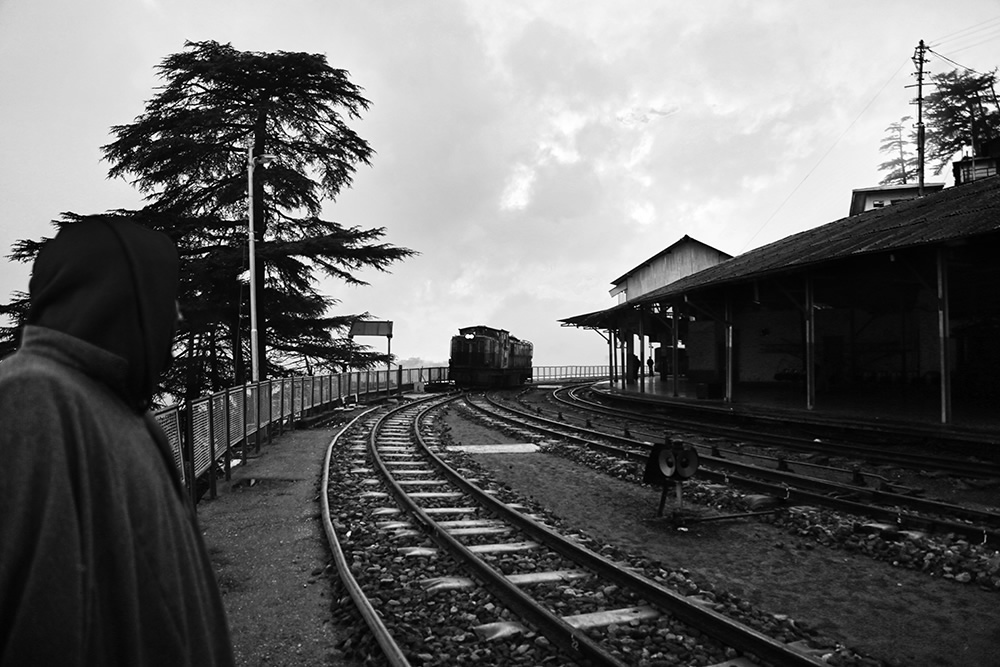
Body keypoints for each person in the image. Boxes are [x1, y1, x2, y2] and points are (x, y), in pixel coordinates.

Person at [0, 219, 234, 666]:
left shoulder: (124, 410)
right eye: (167, 299)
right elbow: (34, 624)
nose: (179, 316)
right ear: (122, 303)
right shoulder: (32, 397)